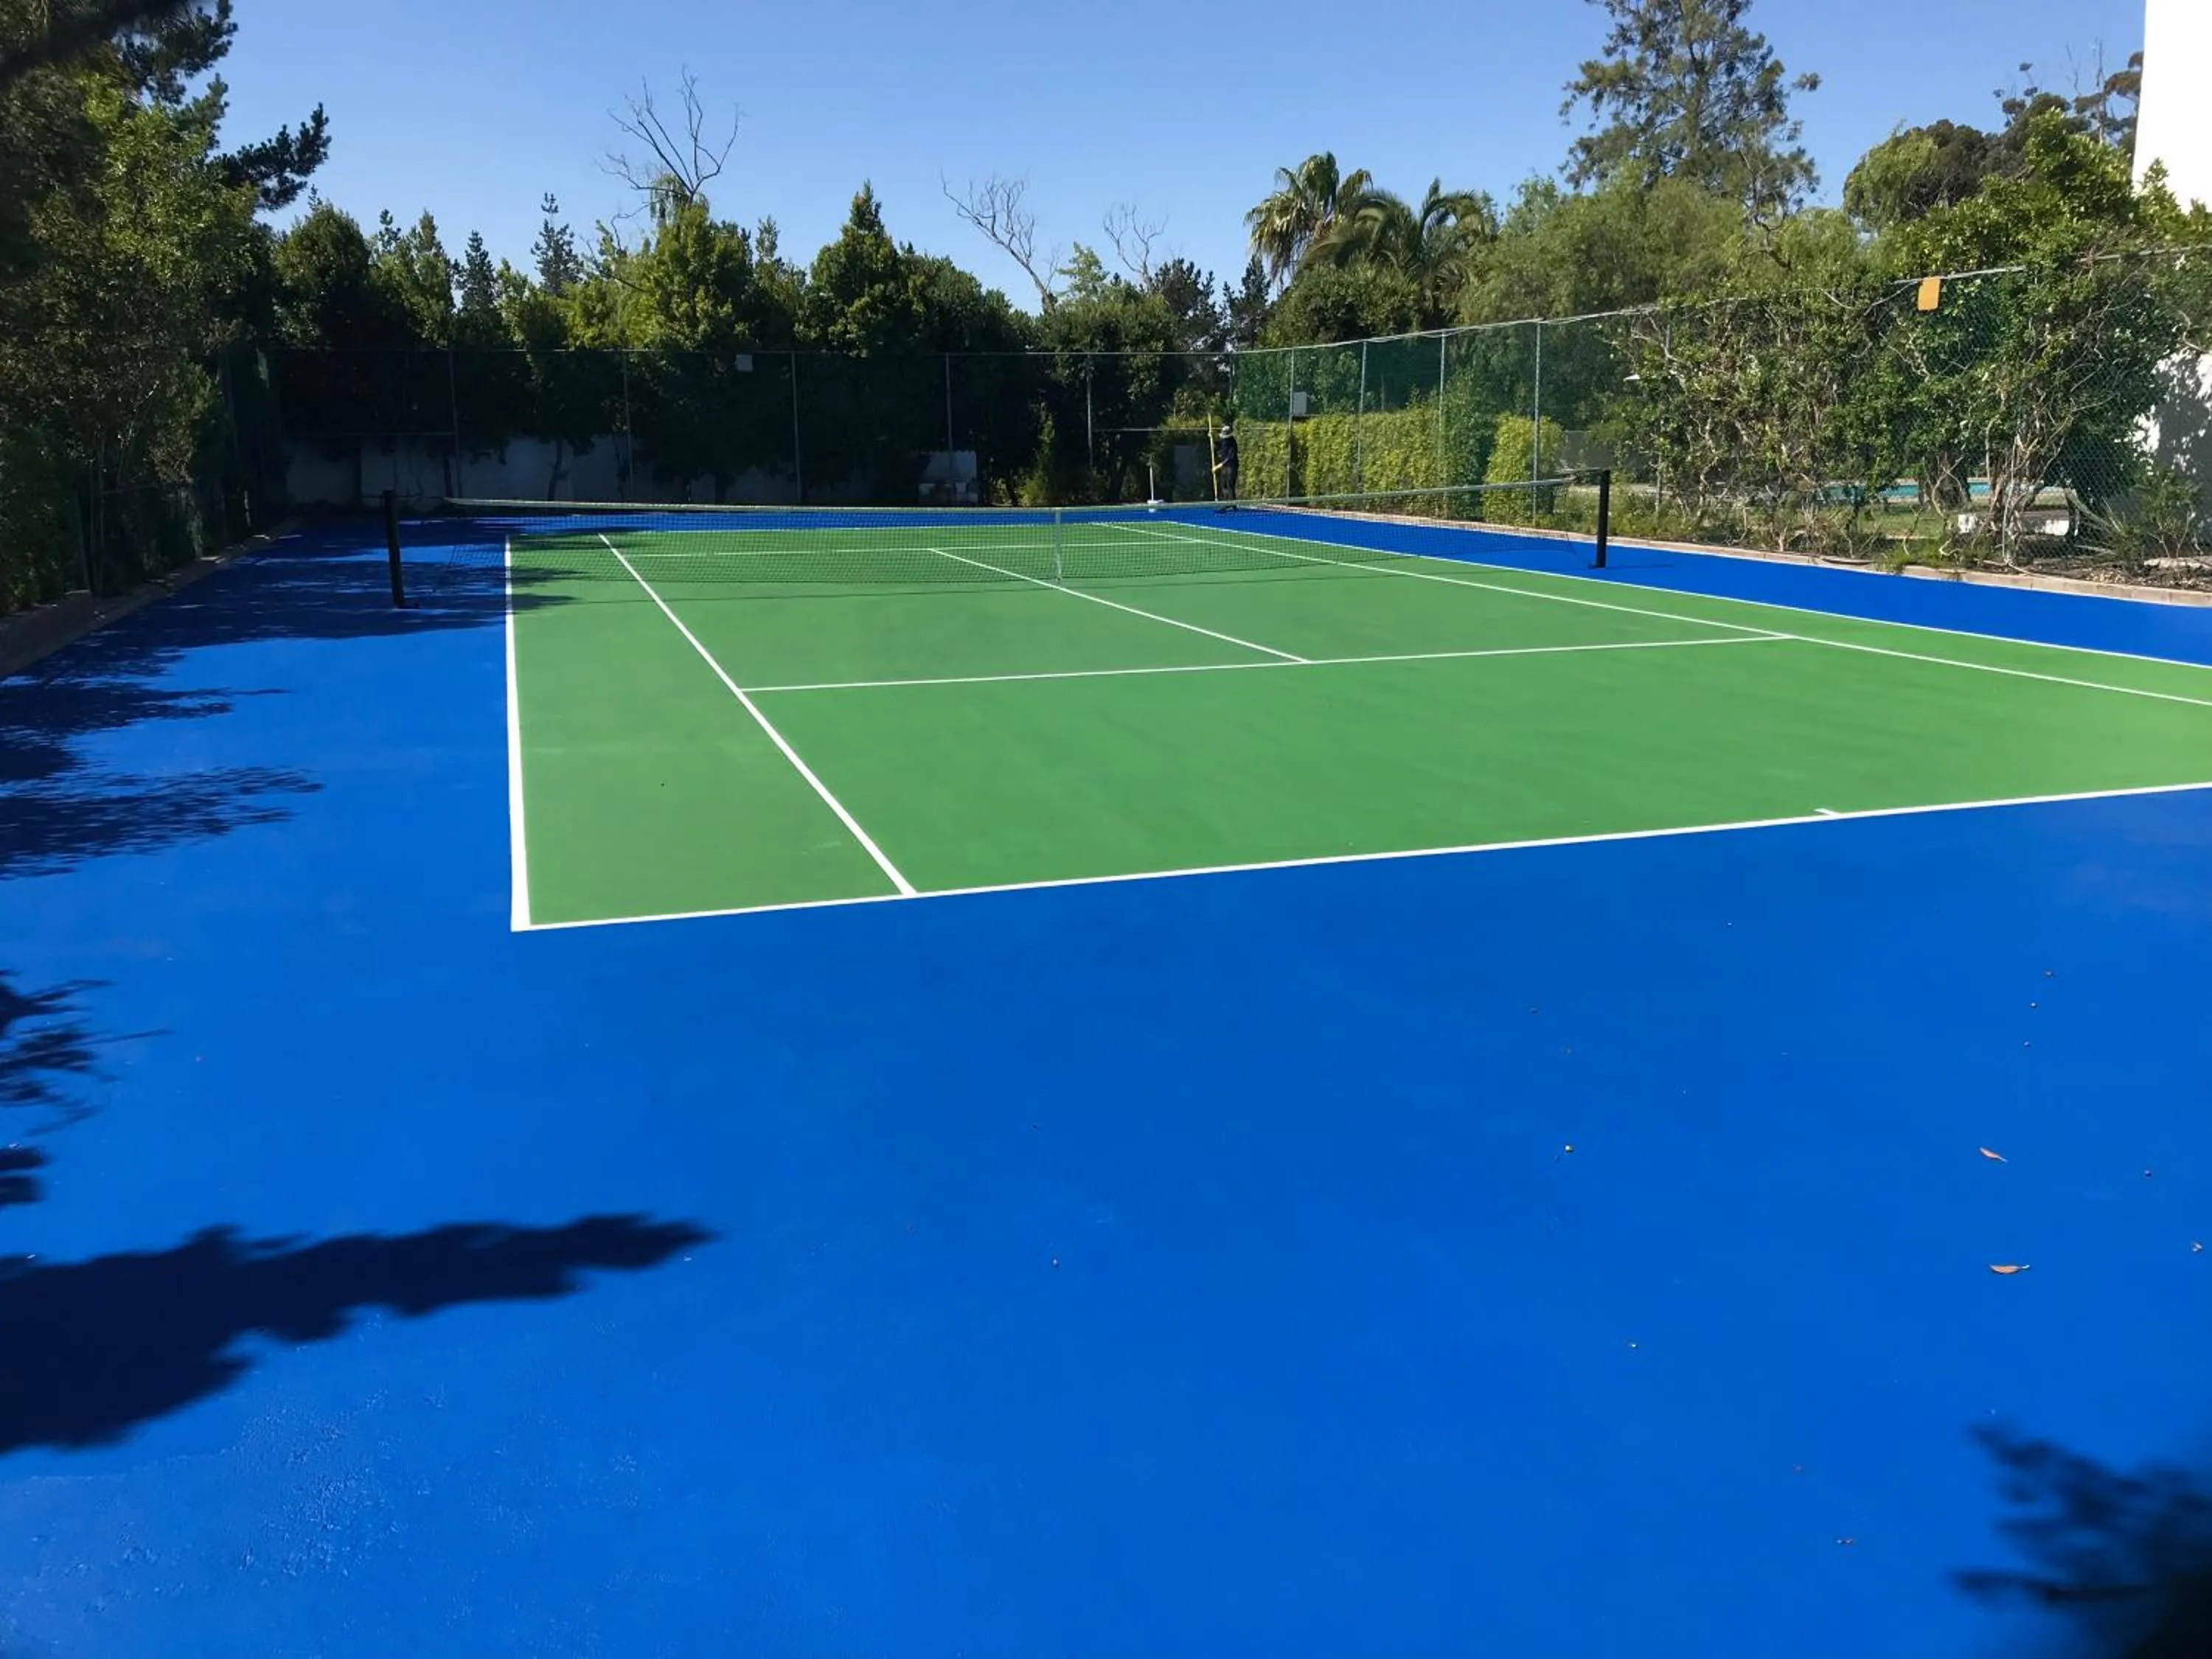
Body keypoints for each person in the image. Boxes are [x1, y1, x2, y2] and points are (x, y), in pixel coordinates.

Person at [1213, 421, 1239, 509]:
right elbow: (1218, 445)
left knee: (1230, 484)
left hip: (1232, 466)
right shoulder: (1224, 441)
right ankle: (1231, 503)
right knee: (1224, 484)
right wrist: (1211, 436)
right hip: (1225, 466)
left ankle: (1229, 504)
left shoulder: (1233, 443)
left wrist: (1219, 465)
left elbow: (1231, 456)